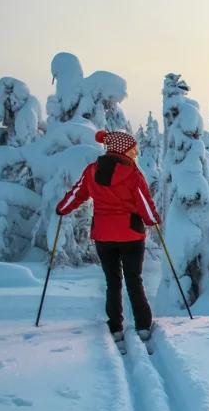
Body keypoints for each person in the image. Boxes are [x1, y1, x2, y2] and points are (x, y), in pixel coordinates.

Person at [56, 129, 160, 350]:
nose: (135, 153)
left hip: (104, 236)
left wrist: (62, 209)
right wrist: (153, 220)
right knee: (134, 280)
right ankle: (143, 325)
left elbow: (77, 194)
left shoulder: (92, 171)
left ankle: (116, 327)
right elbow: (144, 201)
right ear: (123, 149)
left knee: (113, 282)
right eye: (133, 149)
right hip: (131, 235)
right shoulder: (132, 173)